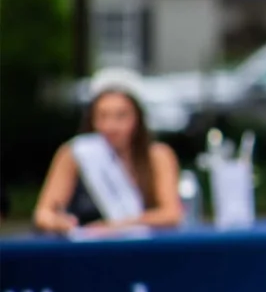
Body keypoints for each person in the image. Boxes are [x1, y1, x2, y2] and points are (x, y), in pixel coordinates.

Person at [33, 68, 183, 233]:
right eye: (103, 116)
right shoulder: (75, 154)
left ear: (137, 118)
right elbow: (43, 213)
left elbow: (171, 214)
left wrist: (117, 227)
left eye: (121, 116)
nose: (111, 126)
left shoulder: (157, 155)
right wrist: (59, 223)